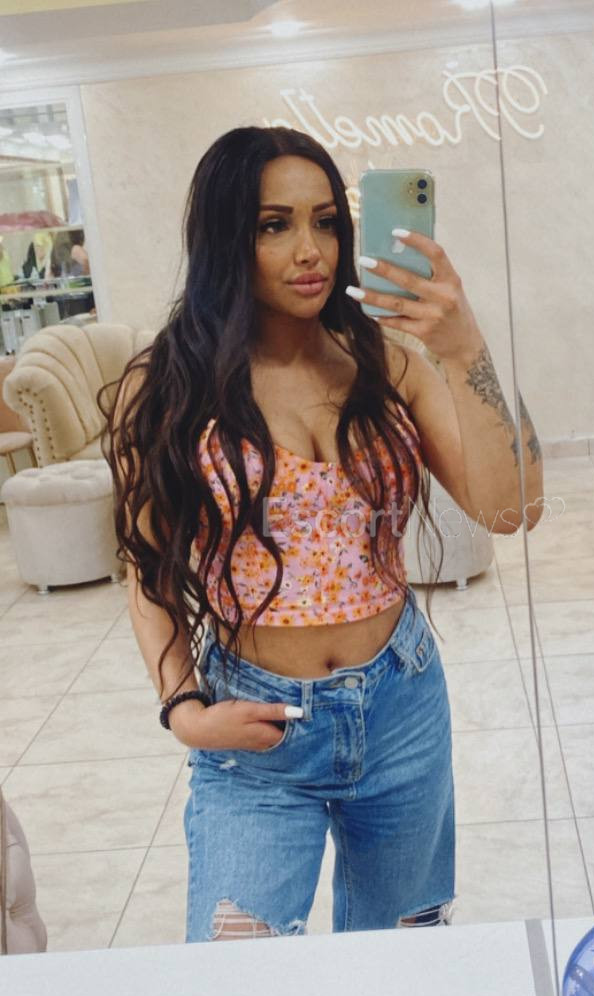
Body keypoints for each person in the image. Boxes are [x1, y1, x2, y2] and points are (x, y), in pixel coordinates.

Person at [101, 126, 542, 942]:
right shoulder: (167, 387)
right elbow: (148, 570)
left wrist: (464, 346)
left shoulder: (387, 364)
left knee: (400, 958)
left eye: (327, 222)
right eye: (275, 225)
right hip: (256, 729)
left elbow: (513, 507)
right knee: (239, 975)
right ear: (227, 237)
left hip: (402, 705)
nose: (311, 251)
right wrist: (183, 709)